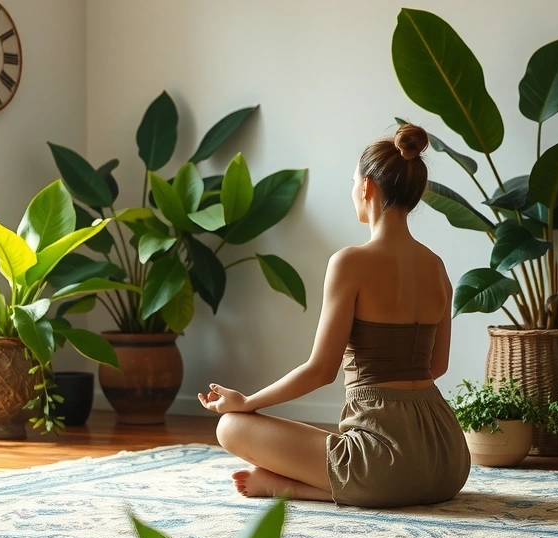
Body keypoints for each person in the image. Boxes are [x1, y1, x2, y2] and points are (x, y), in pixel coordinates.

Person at [198, 123, 470, 508]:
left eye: (353, 182)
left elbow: (320, 371)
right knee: (364, 457)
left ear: (367, 187)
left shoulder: (350, 263)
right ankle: (330, 486)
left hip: (385, 469)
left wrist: (246, 402)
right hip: (447, 462)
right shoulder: (436, 267)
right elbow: (436, 366)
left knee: (231, 426)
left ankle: (295, 488)